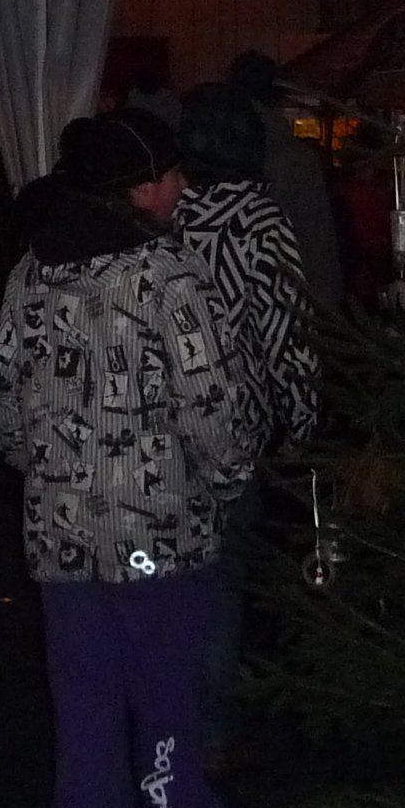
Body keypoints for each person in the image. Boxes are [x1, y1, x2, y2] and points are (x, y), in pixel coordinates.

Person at [0, 111, 264, 808]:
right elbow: (210, 401)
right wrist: (230, 475)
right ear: (136, 189)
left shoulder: (35, 270)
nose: (182, 186)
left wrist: (41, 465)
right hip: (157, 527)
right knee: (165, 683)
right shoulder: (166, 274)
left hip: (60, 529)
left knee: (85, 692)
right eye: (170, 174)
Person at [172, 83, 323, 766]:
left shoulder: (166, 217)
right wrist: (302, 417)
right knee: (222, 576)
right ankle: (209, 733)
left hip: (162, 421)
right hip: (235, 424)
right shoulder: (260, 218)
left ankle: (167, 723)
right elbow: (286, 327)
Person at [230, 51, 346, 308]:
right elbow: (316, 235)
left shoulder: (233, 150)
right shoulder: (292, 156)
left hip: (253, 298)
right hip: (294, 296)